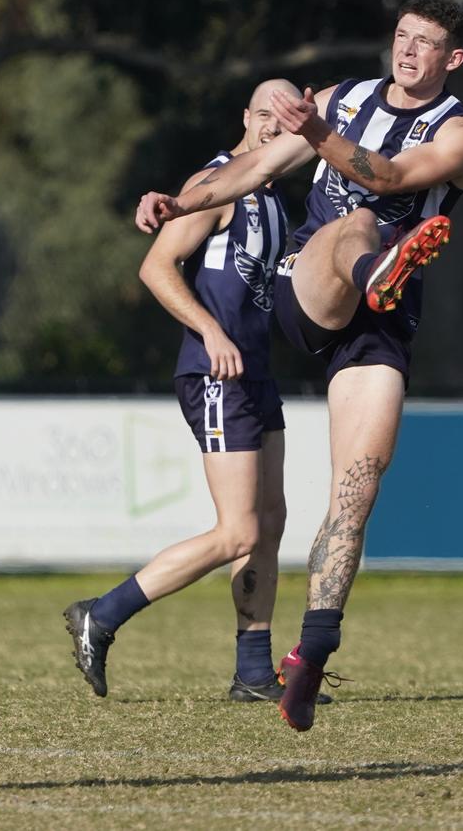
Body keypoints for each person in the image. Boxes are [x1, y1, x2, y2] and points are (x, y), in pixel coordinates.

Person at [136, 0, 463, 730]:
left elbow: (394, 174)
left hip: (382, 322)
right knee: (356, 221)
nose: (409, 51)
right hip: (314, 284)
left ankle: (312, 654)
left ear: (453, 59)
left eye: (427, 44)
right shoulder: (341, 100)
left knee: (358, 486)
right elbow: (253, 166)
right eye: (403, 37)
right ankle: (374, 268)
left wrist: (319, 132)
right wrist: (180, 202)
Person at [64, 78, 331, 707]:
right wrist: (211, 330)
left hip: (255, 375)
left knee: (270, 523)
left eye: (284, 117)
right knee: (236, 532)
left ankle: (254, 672)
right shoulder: (217, 184)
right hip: (216, 373)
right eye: (263, 113)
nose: (272, 125)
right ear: (245, 116)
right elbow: (155, 266)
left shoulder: (269, 195)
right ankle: (99, 616)